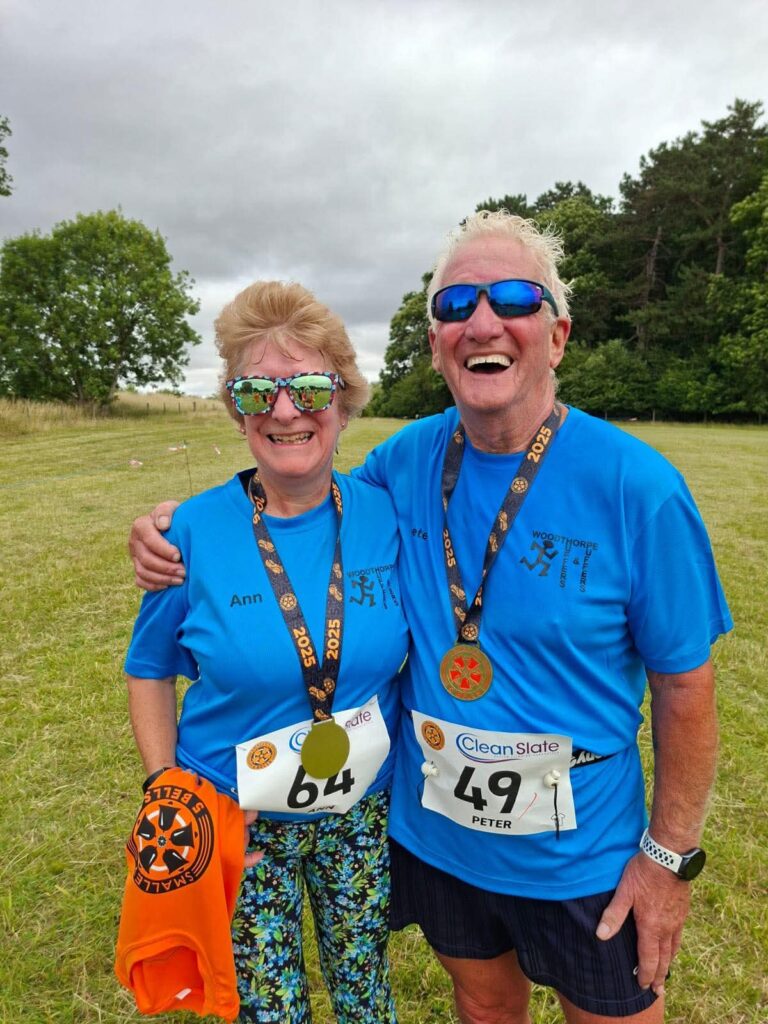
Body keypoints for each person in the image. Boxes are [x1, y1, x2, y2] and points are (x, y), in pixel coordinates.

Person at [130, 212, 731, 1024]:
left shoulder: (638, 487)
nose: (483, 321)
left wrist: (667, 858)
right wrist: (172, 531)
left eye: (514, 299)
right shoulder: (402, 465)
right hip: (440, 840)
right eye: (456, 305)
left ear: (557, 336)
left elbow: (686, 685)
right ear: (436, 341)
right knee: (483, 1008)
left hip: (584, 853)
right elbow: (295, 495)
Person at [124, 281, 409, 1024]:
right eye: (258, 392)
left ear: (343, 402)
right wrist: (168, 792)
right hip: (237, 816)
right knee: (269, 1008)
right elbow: (150, 667)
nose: (286, 411)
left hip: (360, 810)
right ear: (237, 409)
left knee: (365, 994)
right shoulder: (189, 529)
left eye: (310, 387)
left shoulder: (388, 515)